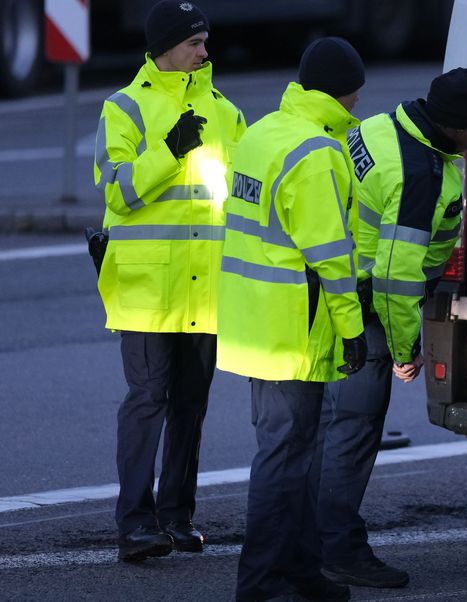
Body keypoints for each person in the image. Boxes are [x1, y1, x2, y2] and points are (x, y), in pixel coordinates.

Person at [315, 68, 467, 589]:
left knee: (324, 429)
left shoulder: (382, 126)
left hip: (329, 290)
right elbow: (395, 280)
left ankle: (310, 537)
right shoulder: (420, 174)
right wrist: (405, 348)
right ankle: (338, 549)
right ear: (460, 128)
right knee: (354, 429)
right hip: (365, 309)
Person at [91, 0, 245, 563]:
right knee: (148, 398)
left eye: (205, 42)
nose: (205, 52)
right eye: (194, 44)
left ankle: (178, 516)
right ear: (165, 49)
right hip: (147, 288)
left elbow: (240, 200)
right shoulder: (124, 108)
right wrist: (169, 149)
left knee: (191, 403)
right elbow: (117, 192)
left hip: (206, 286)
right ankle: (135, 521)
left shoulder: (225, 111)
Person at [216, 37, 368, 602]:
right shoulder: (318, 153)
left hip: (254, 323)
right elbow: (331, 256)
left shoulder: (262, 133)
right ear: (346, 92)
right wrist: (352, 331)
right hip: (293, 332)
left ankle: (302, 571)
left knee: (296, 454)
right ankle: (258, 585)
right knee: (284, 460)